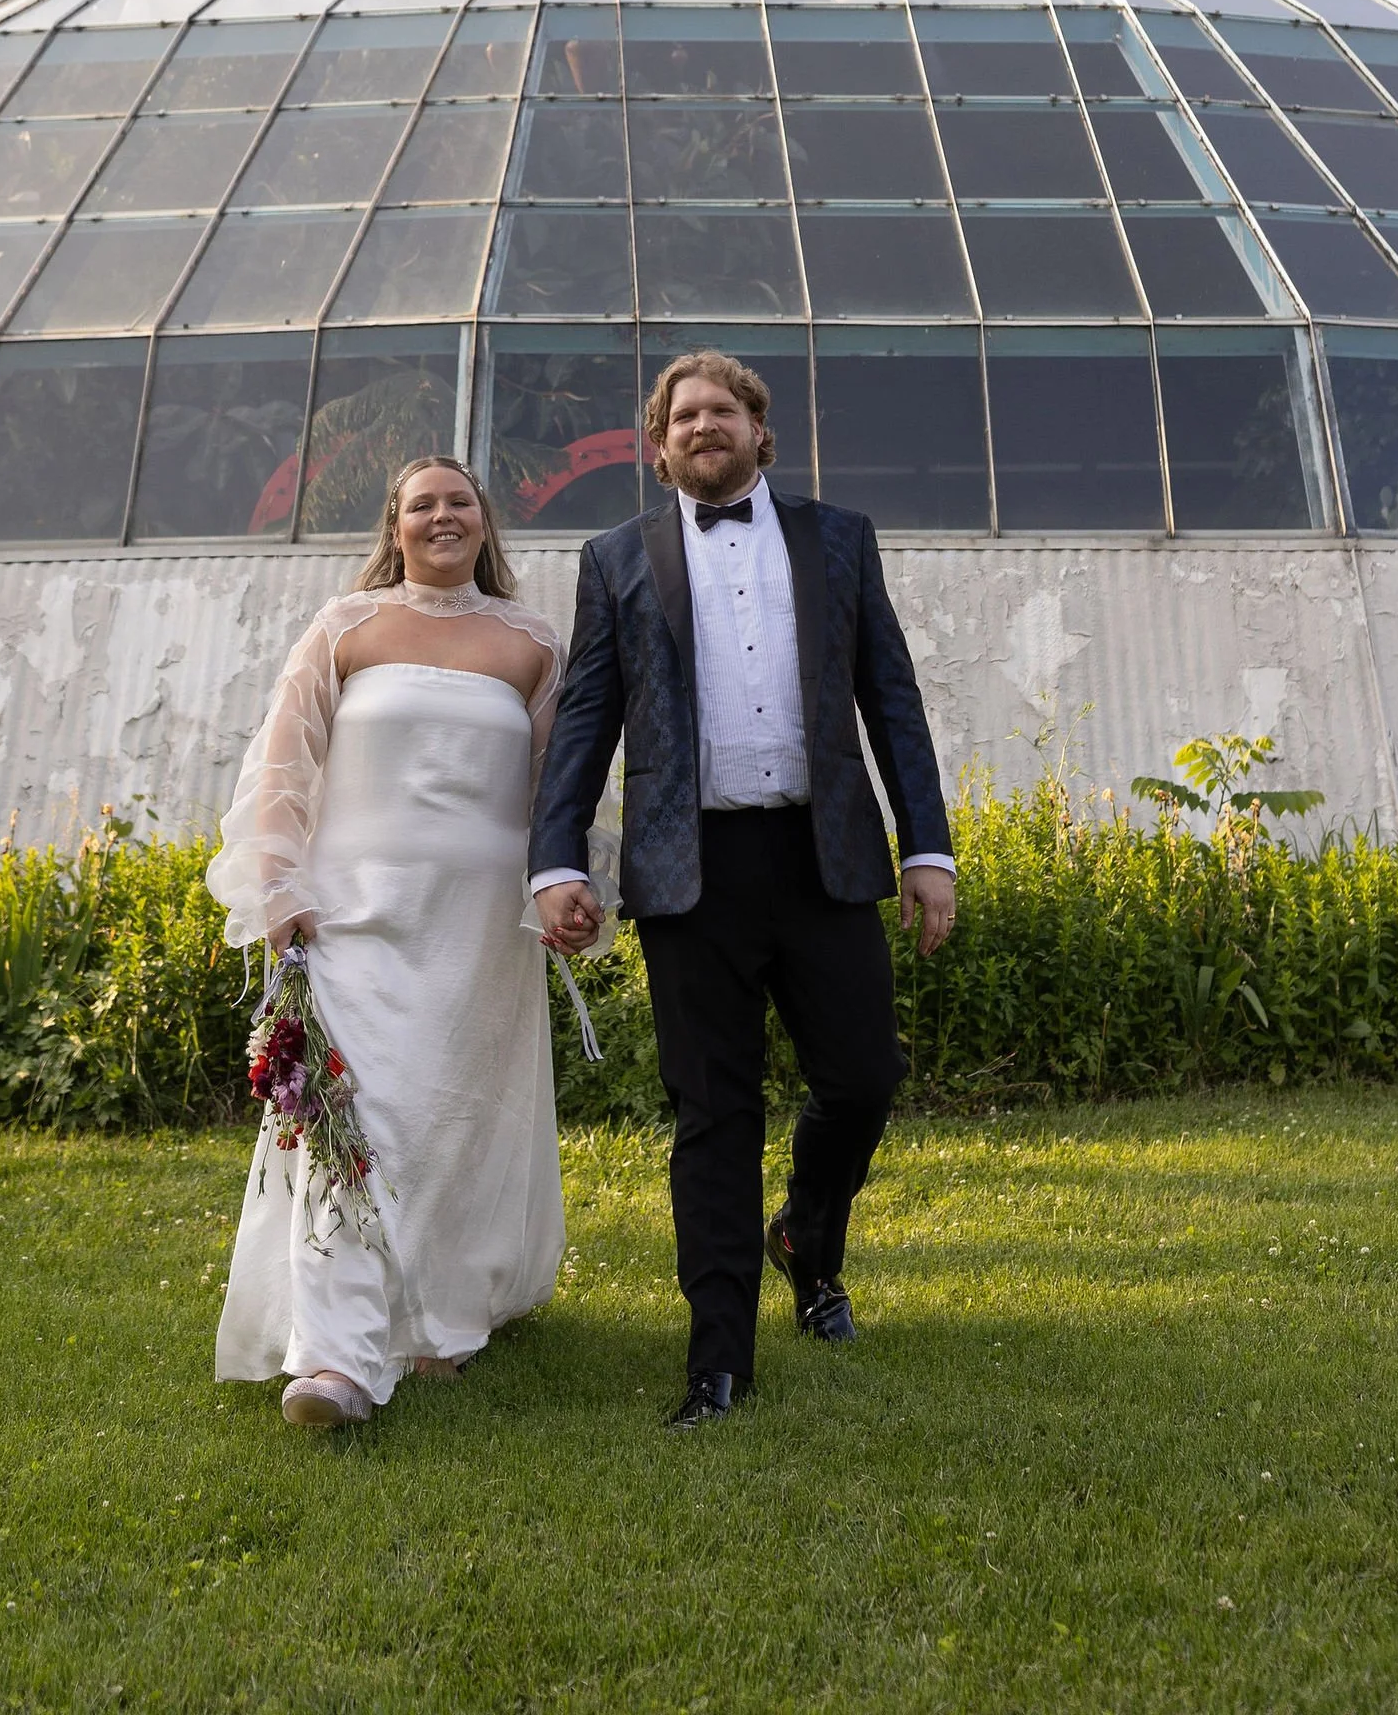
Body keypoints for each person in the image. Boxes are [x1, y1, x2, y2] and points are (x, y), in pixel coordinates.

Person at [531, 351, 956, 1429]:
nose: (702, 426)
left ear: (761, 434)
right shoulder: (615, 557)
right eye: (682, 416)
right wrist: (556, 862)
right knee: (711, 1117)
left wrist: (928, 852)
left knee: (861, 1079)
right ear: (657, 445)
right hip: (689, 874)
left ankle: (805, 1238)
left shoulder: (838, 541)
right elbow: (584, 718)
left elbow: (890, 700)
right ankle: (715, 1365)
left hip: (825, 862)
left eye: (722, 410)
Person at [208, 457, 567, 1426]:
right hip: (353, 913)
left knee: (451, 1121)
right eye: (422, 505)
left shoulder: (532, 643)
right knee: (352, 1116)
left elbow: (558, 791)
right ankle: (336, 1362)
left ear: (485, 526)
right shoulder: (344, 628)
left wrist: (569, 886)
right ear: (394, 527)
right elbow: (285, 760)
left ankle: (433, 1320)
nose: (441, 516)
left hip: (480, 925)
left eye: (459, 503)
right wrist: (277, 882)